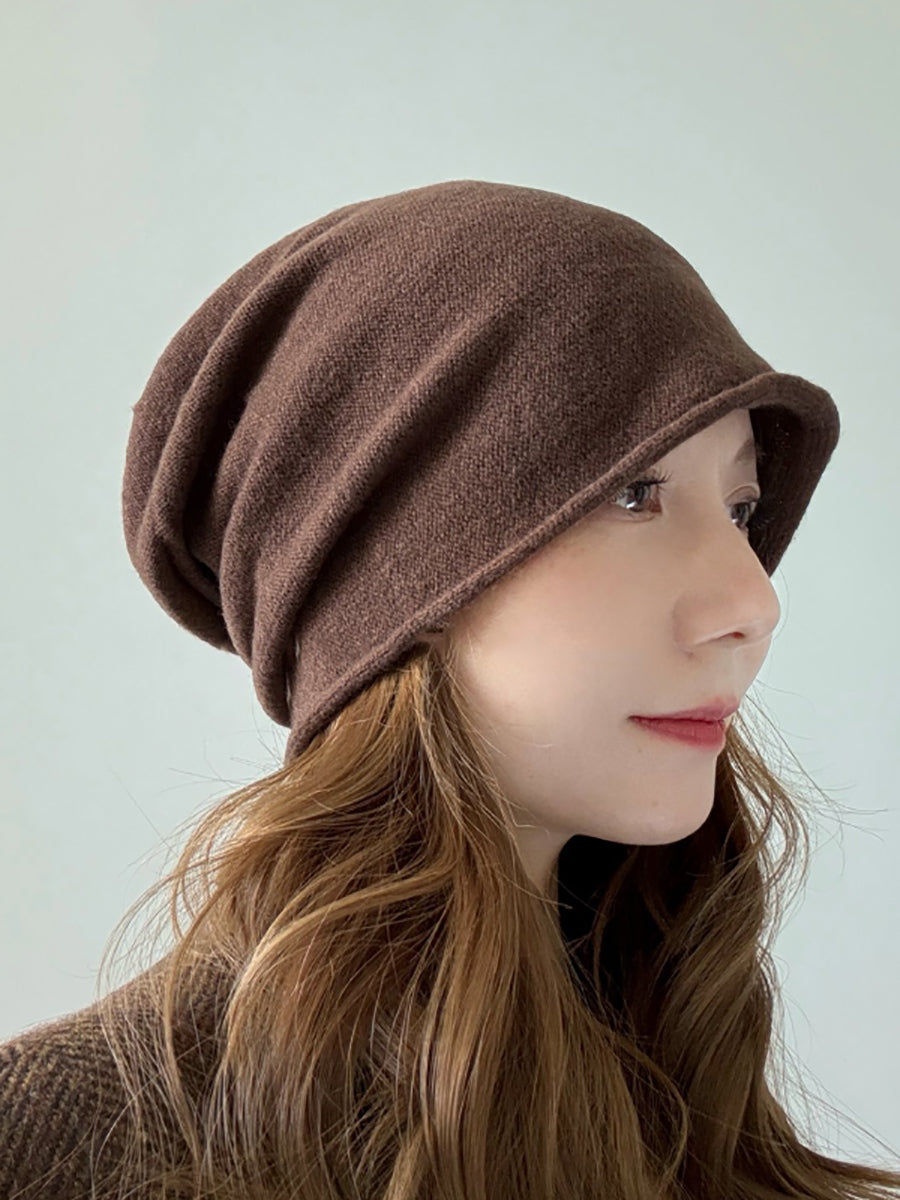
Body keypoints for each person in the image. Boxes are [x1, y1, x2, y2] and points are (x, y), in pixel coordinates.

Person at [2, 179, 897, 1200]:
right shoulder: (53, 1151)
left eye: (740, 507)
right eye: (633, 491)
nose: (753, 601)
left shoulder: (686, 1069)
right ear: (394, 582)